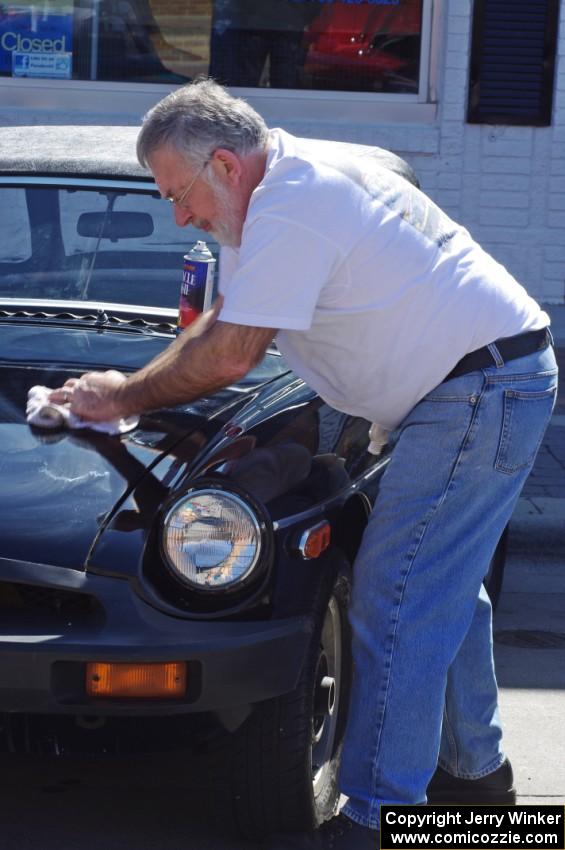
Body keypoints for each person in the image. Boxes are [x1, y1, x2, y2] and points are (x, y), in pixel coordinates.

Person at [50, 80, 558, 849]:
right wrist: (130, 393)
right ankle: (475, 778)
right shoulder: (265, 196)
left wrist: (120, 393)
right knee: (440, 586)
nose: (178, 216)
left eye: (176, 194)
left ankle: (377, 819)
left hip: (477, 385)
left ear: (223, 163)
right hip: (473, 382)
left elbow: (228, 355)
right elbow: (223, 318)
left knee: (398, 594)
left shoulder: (294, 203)